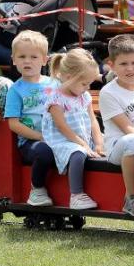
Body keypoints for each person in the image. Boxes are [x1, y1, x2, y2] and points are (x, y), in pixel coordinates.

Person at [99, 34, 134, 216]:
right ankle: (131, 197)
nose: (130, 69)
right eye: (123, 64)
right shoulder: (108, 93)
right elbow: (129, 129)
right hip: (119, 147)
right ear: (112, 65)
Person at [42, 48, 104, 210]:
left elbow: (93, 121)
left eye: (90, 83)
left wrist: (99, 143)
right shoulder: (56, 99)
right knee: (78, 153)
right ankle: (76, 195)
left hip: (82, 138)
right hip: (62, 141)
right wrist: (83, 145)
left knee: (109, 144)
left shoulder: (84, 96)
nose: (87, 88)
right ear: (69, 78)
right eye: (84, 83)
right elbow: (62, 127)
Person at [4, 31, 56, 205]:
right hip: (30, 142)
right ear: (14, 60)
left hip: (57, 136)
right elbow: (13, 124)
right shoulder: (15, 90)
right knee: (44, 151)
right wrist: (40, 137)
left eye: (34, 57)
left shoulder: (54, 84)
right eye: (22, 56)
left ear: (44, 60)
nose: (27, 61)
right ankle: (37, 189)